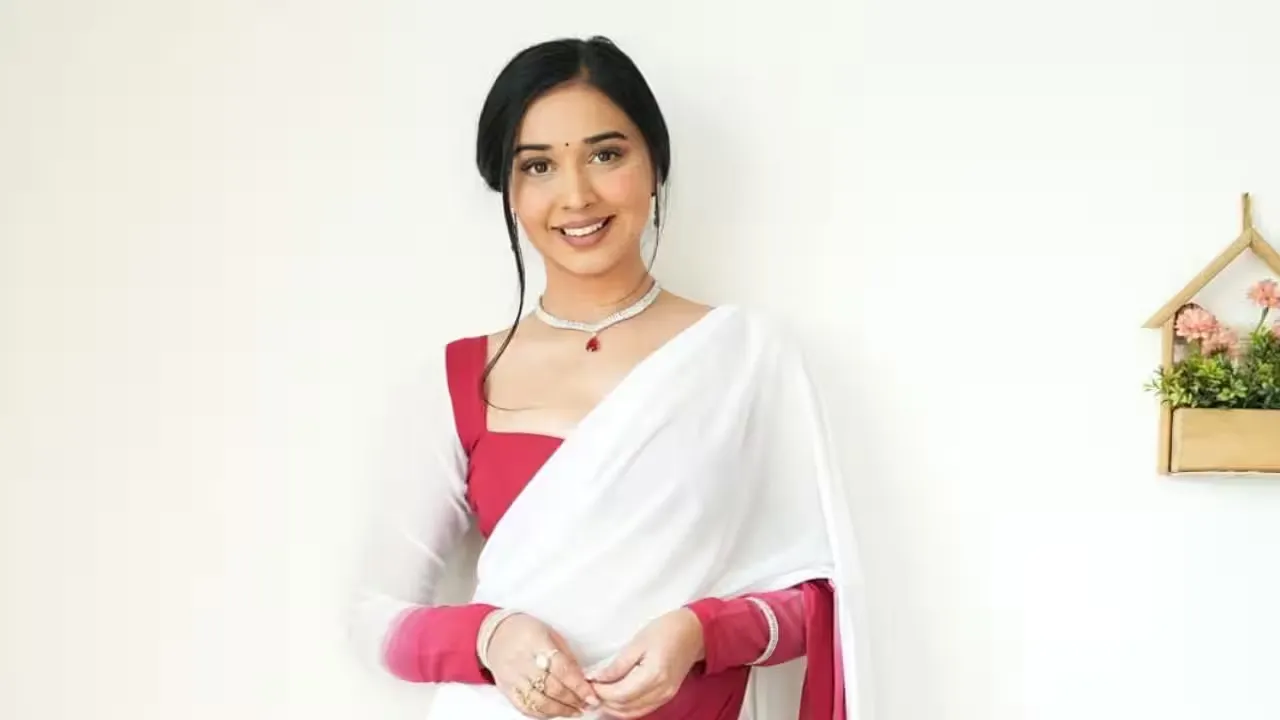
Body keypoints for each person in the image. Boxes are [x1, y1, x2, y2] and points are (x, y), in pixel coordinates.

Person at [346, 35, 869, 720]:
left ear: (655, 165)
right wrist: (490, 637)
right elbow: (374, 618)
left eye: (605, 155)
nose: (576, 195)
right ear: (508, 191)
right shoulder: (461, 379)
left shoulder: (744, 358)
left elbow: (824, 604)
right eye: (538, 166)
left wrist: (701, 633)